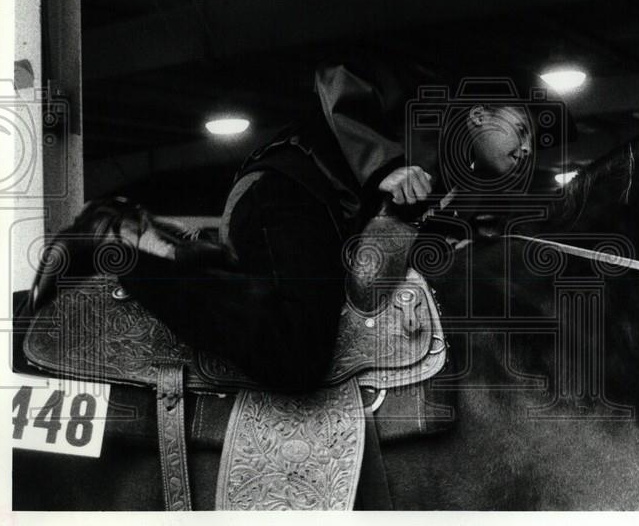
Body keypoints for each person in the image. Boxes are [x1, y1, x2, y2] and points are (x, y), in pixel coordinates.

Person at [36, 55, 545, 391]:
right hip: (288, 191)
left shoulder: (452, 181)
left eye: (529, 145)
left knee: (299, 307)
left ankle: (167, 247)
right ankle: (119, 250)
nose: (525, 149)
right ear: (479, 115)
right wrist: (385, 166)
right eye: (521, 130)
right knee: (297, 356)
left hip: (313, 217)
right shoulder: (428, 96)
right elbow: (337, 79)